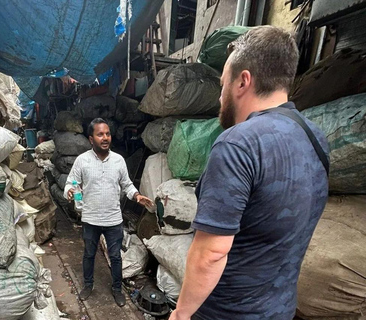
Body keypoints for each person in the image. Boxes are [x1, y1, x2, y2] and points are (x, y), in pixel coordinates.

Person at [170, 26, 329, 320]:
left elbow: (211, 253)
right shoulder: (315, 137)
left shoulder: (238, 144)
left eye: (223, 85)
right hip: (280, 310)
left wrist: (180, 314)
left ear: (243, 81)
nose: (220, 98)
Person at [64, 118, 153, 307]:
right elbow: (71, 183)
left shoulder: (118, 160)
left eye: (107, 134)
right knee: (89, 254)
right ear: (91, 139)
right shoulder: (82, 161)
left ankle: (117, 289)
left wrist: (136, 196)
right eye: (100, 134)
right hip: (90, 219)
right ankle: (88, 285)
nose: (105, 138)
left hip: (113, 219)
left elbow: (127, 185)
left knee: (115, 256)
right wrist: (70, 191)